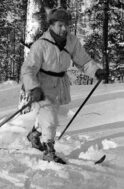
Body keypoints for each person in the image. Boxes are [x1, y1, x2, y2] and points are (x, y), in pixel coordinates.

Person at [21, 8, 108, 164]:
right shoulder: (41, 44)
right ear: (52, 25)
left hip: (60, 84)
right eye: (60, 25)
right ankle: (49, 151)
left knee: (52, 116)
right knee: (50, 119)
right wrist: (33, 87)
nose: (64, 29)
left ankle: (34, 134)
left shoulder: (72, 41)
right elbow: (28, 69)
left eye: (66, 25)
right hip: (42, 84)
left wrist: (97, 71)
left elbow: (84, 61)